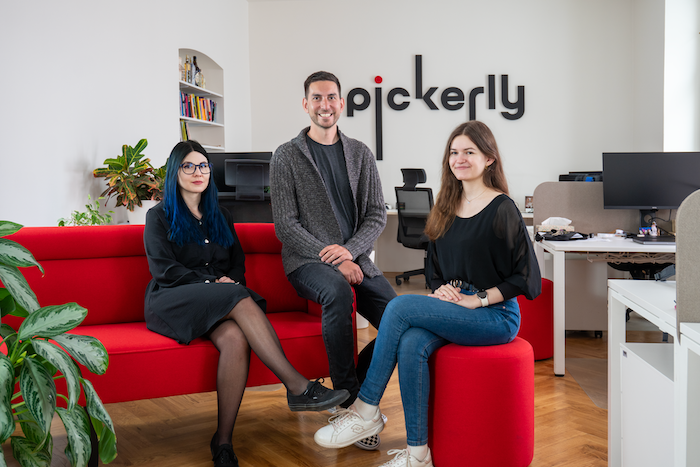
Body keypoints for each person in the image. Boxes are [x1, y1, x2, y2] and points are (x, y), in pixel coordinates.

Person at [313, 121, 541, 467]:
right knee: (410, 342)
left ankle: (366, 409)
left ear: (489, 159)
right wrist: (443, 288)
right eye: (454, 152)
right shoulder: (446, 206)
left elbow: (527, 278)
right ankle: (418, 454)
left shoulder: (502, 207)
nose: (459, 159)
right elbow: (434, 268)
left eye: (469, 152)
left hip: (495, 315)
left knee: (399, 308)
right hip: (458, 306)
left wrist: (477, 299)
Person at [143, 140, 349, 467]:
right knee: (237, 294)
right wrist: (215, 285)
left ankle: (223, 441)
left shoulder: (221, 215)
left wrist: (230, 282)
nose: (198, 172)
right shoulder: (158, 216)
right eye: (188, 166)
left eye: (203, 165)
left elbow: (236, 261)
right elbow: (164, 270)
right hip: (174, 297)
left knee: (235, 338)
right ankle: (297, 386)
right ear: (174, 172)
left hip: (218, 300)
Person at [270, 71, 397, 449]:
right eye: (316, 98)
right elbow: (285, 225)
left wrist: (350, 252)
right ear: (305, 104)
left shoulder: (360, 153)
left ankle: (359, 400)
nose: (324, 105)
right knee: (338, 292)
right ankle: (348, 403)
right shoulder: (286, 155)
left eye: (331, 98)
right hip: (306, 261)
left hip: (356, 258)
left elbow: (376, 215)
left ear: (341, 104)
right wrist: (334, 259)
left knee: (400, 317)